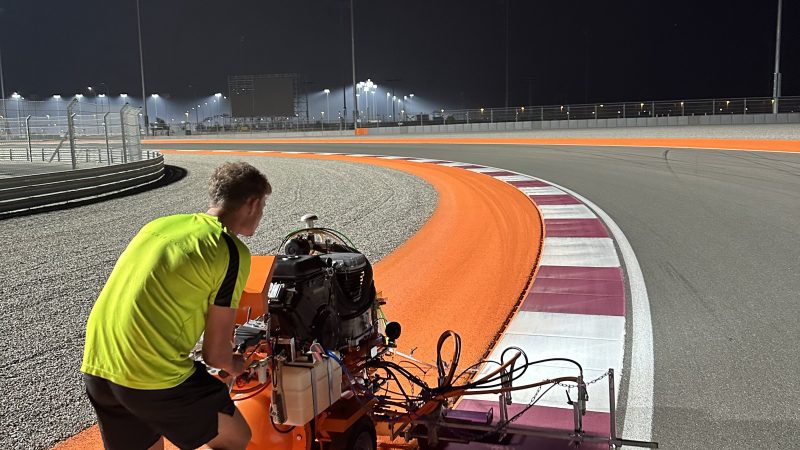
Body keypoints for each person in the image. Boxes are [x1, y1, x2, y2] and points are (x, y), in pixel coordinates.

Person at [81, 161, 272, 450]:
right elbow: (216, 355)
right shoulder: (229, 250)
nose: (261, 214)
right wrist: (238, 364)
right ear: (252, 204)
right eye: (262, 207)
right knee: (237, 437)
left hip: (98, 367)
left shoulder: (160, 225)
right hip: (151, 376)